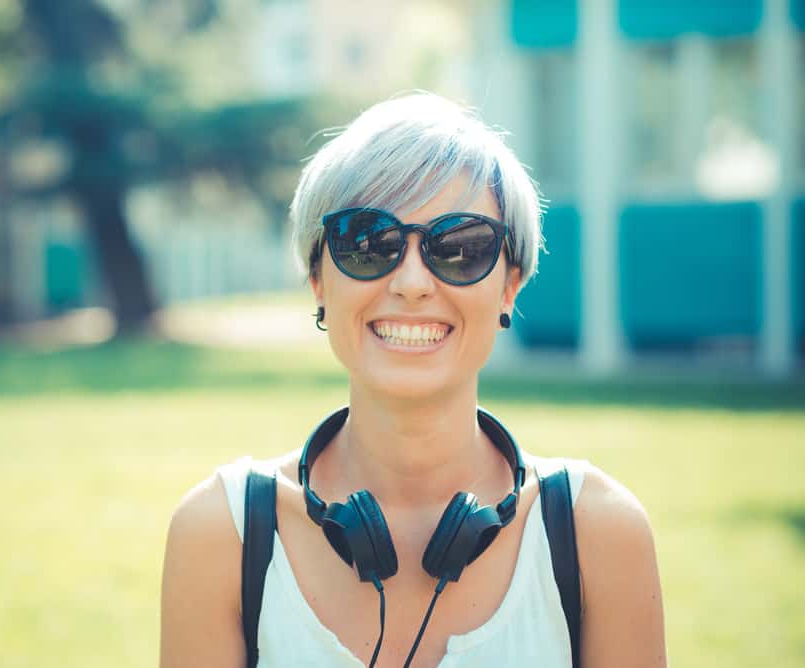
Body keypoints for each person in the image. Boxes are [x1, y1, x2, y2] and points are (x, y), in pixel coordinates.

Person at [160, 93, 666, 667]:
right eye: (369, 242)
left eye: (458, 247)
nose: (412, 282)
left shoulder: (597, 533)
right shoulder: (222, 535)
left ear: (510, 286)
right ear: (318, 279)